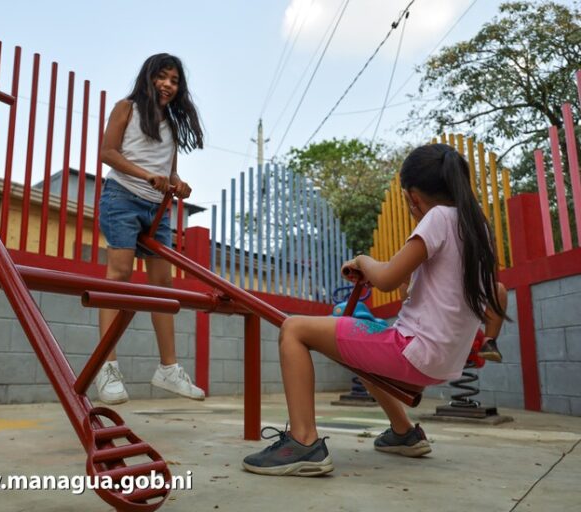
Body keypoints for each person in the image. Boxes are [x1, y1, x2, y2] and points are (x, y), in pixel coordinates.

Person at [242, 143, 508, 476]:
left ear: (412, 197)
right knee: (359, 357)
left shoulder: (437, 217)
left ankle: (303, 442)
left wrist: (362, 261)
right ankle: (404, 434)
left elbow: (383, 279)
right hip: (442, 361)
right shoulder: (476, 227)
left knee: (294, 328)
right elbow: (449, 286)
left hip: (413, 350)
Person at [93, 53, 205, 405]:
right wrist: (146, 177)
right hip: (122, 199)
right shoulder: (127, 108)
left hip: (157, 210)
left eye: (174, 80)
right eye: (163, 77)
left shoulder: (170, 124)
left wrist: (178, 183)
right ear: (149, 77)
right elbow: (107, 153)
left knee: (163, 284)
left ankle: (168, 369)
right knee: (120, 273)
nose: (168, 85)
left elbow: (168, 171)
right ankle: (106, 366)